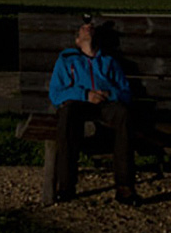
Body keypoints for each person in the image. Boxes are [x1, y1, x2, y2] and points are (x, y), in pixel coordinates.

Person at [48, 18, 139, 205]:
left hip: (106, 104)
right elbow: (56, 94)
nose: (88, 28)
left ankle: (125, 188)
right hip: (79, 103)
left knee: (124, 115)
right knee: (67, 115)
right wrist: (85, 94)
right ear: (77, 40)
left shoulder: (109, 61)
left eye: (91, 28)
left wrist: (109, 93)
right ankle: (66, 186)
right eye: (83, 28)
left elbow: (126, 93)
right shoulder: (66, 60)